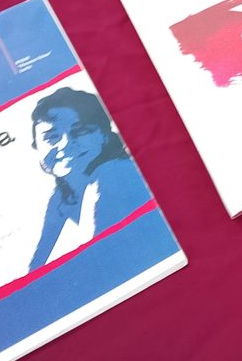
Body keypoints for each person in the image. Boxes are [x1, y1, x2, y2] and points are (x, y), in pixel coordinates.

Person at [27, 87, 150, 270]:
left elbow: (95, 260)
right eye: (51, 137)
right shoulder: (63, 192)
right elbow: (36, 267)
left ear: (104, 135)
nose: (65, 144)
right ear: (37, 146)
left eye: (80, 131)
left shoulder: (112, 172)